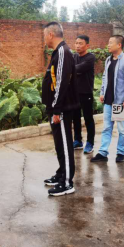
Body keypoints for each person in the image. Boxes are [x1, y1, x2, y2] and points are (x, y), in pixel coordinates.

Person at [41, 22, 80, 197]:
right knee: (59, 144)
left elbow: (62, 83)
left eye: (44, 35)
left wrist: (57, 109)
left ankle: (67, 183)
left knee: (64, 144)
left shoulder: (63, 52)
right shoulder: (58, 52)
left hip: (62, 108)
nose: (44, 39)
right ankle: (61, 173)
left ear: (50, 34)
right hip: (56, 107)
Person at [91, 35, 124, 164]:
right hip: (108, 100)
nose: (108, 45)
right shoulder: (108, 60)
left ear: (119, 45)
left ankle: (121, 153)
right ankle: (103, 153)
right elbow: (105, 77)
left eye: (111, 42)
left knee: (122, 130)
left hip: (121, 101)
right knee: (106, 128)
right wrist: (102, 92)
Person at [73, 35, 97, 155]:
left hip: (86, 92)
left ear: (87, 45)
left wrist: (72, 70)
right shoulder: (74, 56)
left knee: (88, 119)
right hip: (74, 93)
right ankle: (78, 141)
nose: (77, 46)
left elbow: (77, 69)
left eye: (80, 43)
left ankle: (90, 143)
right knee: (75, 118)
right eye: (76, 43)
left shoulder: (90, 57)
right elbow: (73, 69)